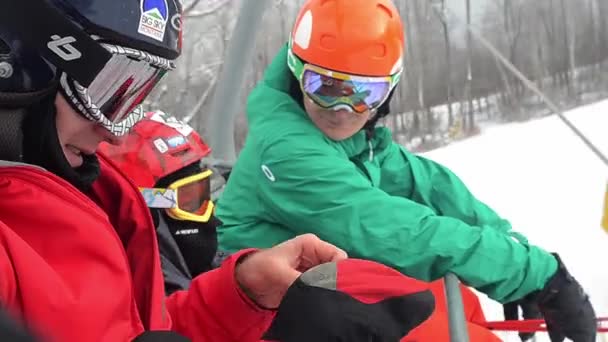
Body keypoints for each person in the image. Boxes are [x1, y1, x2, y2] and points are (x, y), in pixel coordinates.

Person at [215, 0, 597, 341]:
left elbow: (429, 187)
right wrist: (533, 275)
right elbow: (391, 229)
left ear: (388, 93)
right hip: (254, 314)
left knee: (459, 305)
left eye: (365, 92)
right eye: (325, 86)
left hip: (314, 292)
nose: (343, 108)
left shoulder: (348, 136)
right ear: (298, 73)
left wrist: (518, 256)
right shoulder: (286, 150)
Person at [0, 0, 353, 340]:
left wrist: (240, 297)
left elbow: (138, 330)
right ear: (13, 61)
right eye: (107, 90)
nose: (112, 130)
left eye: (134, 95)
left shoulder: (97, 198)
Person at [99, 110, 221, 295]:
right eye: (187, 198)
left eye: (202, 194)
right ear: (142, 205)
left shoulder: (228, 271)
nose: (208, 214)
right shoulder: (144, 299)